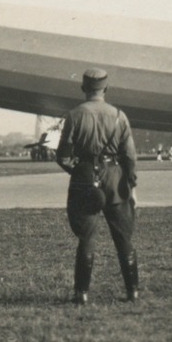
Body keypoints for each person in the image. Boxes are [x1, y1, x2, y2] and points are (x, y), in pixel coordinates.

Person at [55, 68, 139, 304]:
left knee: (87, 238)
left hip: (85, 180)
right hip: (115, 179)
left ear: (83, 88)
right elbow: (130, 156)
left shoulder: (74, 115)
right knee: (123, 238)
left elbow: (62, 157)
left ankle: (81, 294)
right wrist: (130, 182)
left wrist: (79, 172)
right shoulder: (119, 115)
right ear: (106, 89)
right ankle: (133, 292)